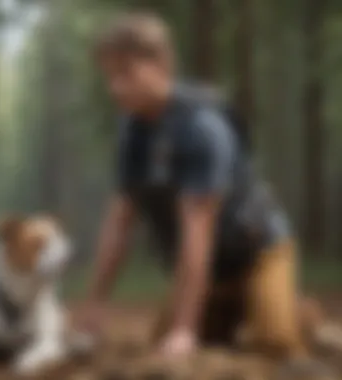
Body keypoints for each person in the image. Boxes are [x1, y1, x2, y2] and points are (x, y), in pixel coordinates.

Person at [84, 11, 309, 363]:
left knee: (273, 343)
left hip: (258, 253)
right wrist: (95, 302)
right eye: (110, 76)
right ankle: (230, 310)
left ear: (161, 64)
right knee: (161, 345)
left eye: (126, 73)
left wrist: (185, 329)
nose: (116, 87)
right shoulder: (132, 132)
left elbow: (197, 230)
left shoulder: (201, 127)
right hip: (211, 270)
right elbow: (119, 222)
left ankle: (293, 312)